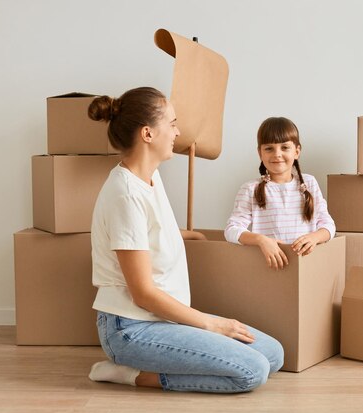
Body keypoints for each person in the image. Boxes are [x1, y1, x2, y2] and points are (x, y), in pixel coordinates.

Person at [86, 87, 284, 393]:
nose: (178, 132)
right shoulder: (125, 195)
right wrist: (211, 323)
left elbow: (144, 234)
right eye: (173, 123)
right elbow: (143, 294)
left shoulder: (150, 176)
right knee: (252, 372)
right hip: (131, 328)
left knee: (273, 354)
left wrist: (182, 235)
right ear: (148, 134)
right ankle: (127, 374)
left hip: (162, 319)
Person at [224, 117, 336, 270]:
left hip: (306, 268)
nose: (277, 154)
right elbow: (231, 230)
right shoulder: (250, 189)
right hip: (269, 269)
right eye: (269, 148)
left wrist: (314, 238)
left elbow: (328, 225)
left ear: (296, 152)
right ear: (260, 153)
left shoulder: (310, 183)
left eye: (284, 148)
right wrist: (262, 240)